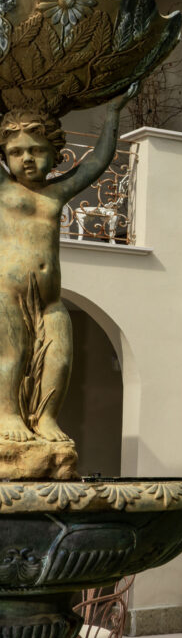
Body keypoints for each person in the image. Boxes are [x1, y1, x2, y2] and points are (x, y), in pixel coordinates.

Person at [0, 83, 137, 443]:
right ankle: (8, 415)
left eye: (36, 150)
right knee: (12, 356)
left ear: (55, 153)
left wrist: (112, 113)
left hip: (50, 299)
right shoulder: (4, 189)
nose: (26, 158)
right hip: (7, 294)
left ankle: (46, 419)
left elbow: (96, 162)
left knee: (59, 358)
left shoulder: (57, 192)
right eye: (16, 152)